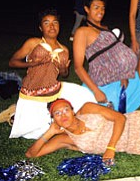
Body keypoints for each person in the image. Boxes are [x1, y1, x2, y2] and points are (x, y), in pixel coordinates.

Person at [7, 8, 96, 139]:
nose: (51, 26)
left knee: (85, 95)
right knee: (36, 134)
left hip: (54, 90)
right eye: (46, 23)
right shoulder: (33, 43)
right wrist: (32, 63)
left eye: (55, 22)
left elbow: (64, 74)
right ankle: (14, 112)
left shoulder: (64, 49)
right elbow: (12, 62)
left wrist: (63, 68)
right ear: (40, 27)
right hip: (32, 93)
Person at [73, 0, 140, 112]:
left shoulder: (105, 28)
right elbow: (78, 67)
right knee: (108, 109)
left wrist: (124, 75)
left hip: (119, 77)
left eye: (102, 8)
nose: (100, 11)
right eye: (96, 7)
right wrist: (96, 91)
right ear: (86, 9)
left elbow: (115, 54)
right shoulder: (82, 32)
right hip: (101, 81)